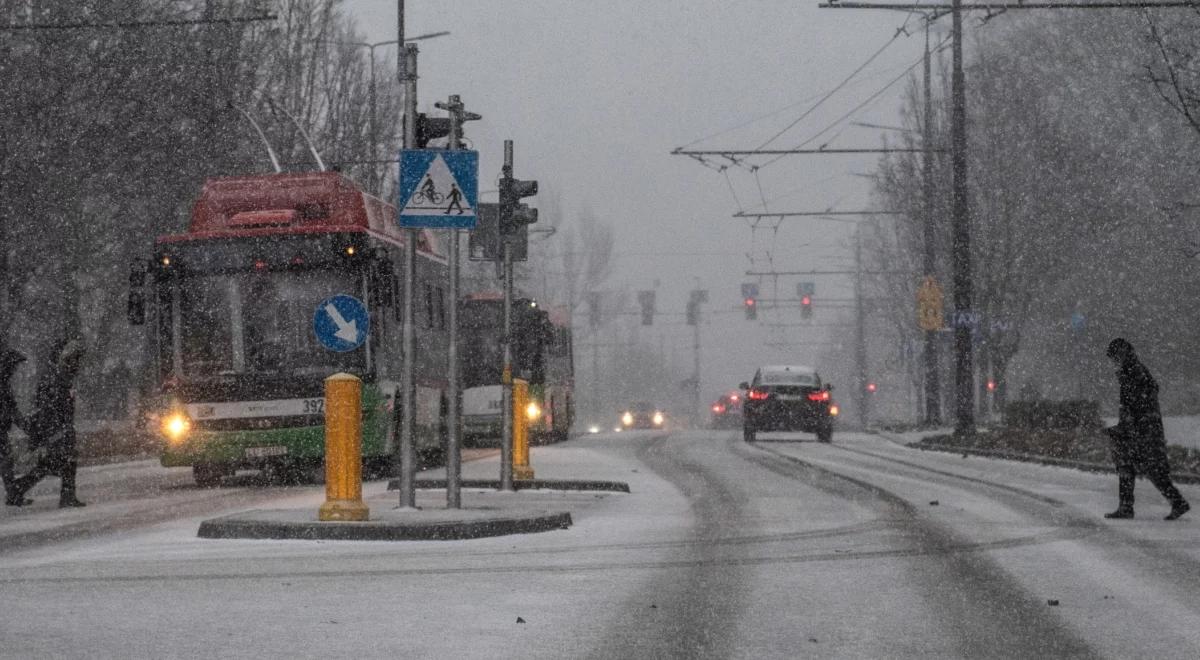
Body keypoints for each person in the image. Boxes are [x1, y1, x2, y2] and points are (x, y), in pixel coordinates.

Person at [1102, 338, 1189, 520]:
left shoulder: (1134, 372)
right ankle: (1127, 507)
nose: (1114, 362)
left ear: (1122, 354)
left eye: (1115, 358)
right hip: (1139, 428)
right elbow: (1132, 404)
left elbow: (1137, 403)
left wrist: (1129, 426)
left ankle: (1177, 502)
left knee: (1150, 466)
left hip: (1143, 430)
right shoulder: (1131, 371)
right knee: (1127, 464)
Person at [10, 338, 87, 508]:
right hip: (56, 430)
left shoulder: (62, 377)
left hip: (60, 430)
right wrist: (53, 432)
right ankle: (66, 496)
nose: (77, 363)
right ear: (65, 358)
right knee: (62, 462)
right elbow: (48, 409)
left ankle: (19, 488)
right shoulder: (56, 379)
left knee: (55, 464)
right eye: (74, 359)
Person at [1, 346, 32, 506]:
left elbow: (12, 409)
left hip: (1, 430)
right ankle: (13, 495)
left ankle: (13, 495)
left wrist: (26, 425)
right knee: (6, 461)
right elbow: (10, 410)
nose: (15, 370)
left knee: (7, 461)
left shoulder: (4, 383)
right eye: (14, 366)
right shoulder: (2, 383)